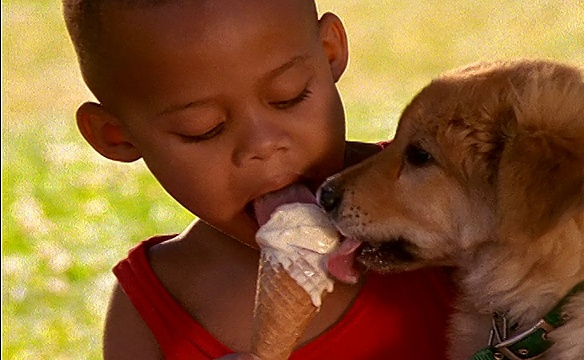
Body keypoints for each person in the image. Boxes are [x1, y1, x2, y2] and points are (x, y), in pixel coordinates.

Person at [63, 0, 454, 359]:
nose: (263, 145)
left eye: (290, 95)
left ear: (329, 52)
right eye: (203, 129)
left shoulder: (444, 193)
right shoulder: (151, 314)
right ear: (116, 136)